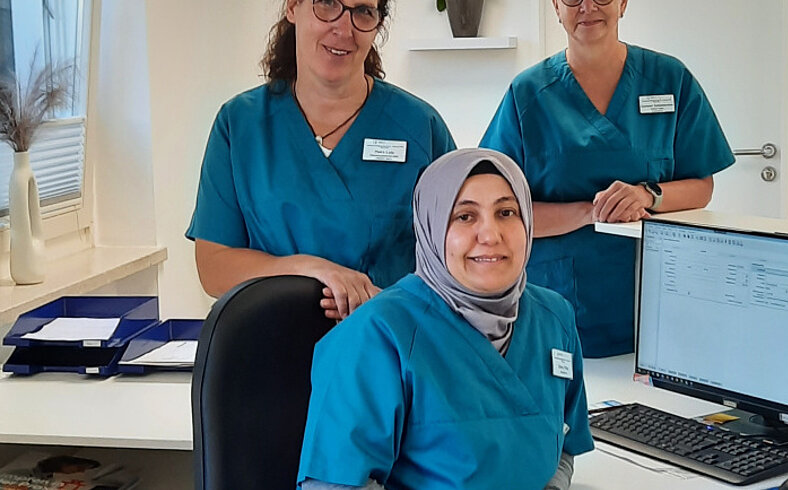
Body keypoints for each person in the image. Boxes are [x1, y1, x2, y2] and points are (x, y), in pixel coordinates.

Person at [297, 148, 594, 489]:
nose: (490, 235)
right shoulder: (376, 334)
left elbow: (564, 444)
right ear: (431, 227)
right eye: (465, 216)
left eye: (506, 212)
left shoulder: (554, 317)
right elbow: (333, 484)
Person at [480, 0, 735, 357]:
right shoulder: (528, 94)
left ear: (623, 3)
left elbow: (701, 187)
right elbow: (498, 210)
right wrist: (590, 212)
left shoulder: (669, 79)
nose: (588, 7)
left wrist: (648, 195)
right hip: (560, 301)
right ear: (556, 7)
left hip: (658, 298)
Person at [186, 0, 455, 320]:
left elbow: (458, 256)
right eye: (327, 4)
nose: (344, 28)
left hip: (385, 338)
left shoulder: (418, 126)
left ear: (378, 24)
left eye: (363, 11)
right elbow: (213, 266)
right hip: (269, 337)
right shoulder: (241, 124)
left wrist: (390, 306)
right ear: (292, 7)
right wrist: (308, 268)